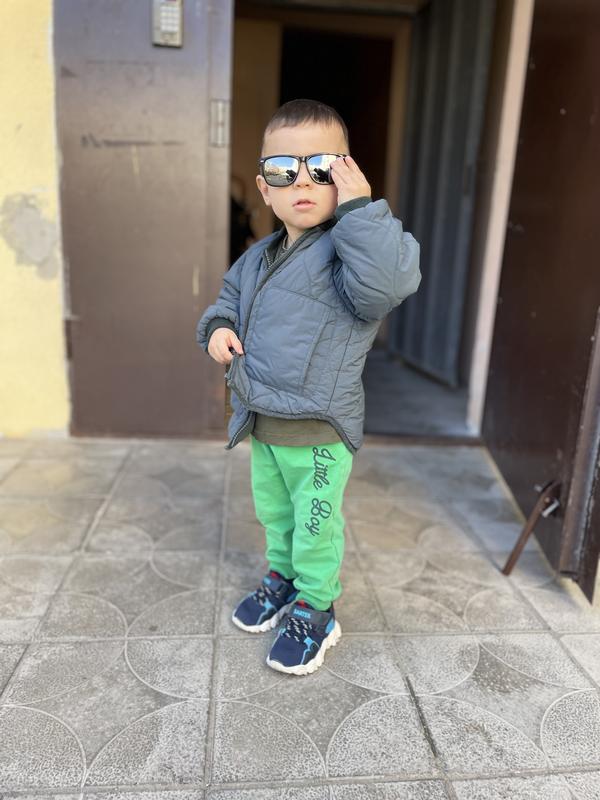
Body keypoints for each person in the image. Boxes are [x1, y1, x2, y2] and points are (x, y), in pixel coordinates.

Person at [196, 98, 421, 676]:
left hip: (319, 429)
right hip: (262, 419)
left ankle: (317, 606)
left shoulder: (352, 251)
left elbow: (388, 284)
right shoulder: (256, 258)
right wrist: (217, 328)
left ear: (345, 175)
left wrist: (361, 211)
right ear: (264, 189)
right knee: (276, 514)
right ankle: (283, 578)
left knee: (316, 525)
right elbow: (225, 302)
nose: (300, 180)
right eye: (282, 169)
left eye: (320, 167)